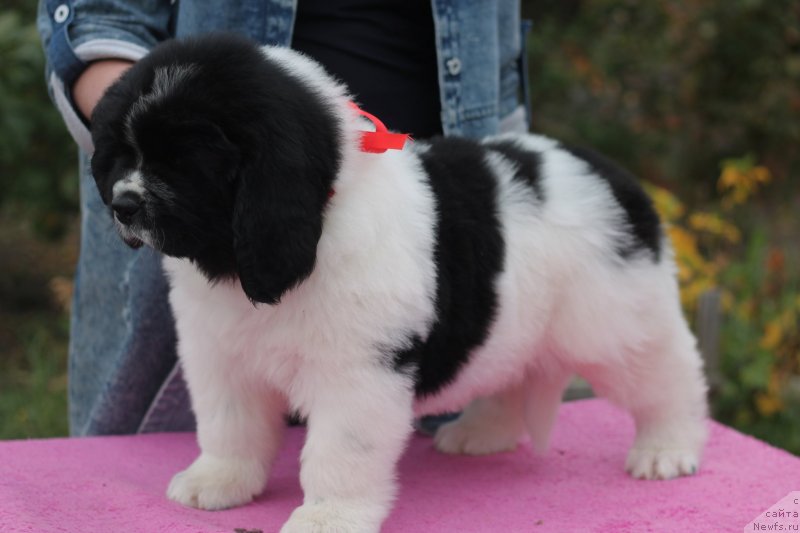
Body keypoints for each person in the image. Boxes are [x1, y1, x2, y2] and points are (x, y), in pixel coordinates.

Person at [37, 0, 532, 436]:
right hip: (215, 239)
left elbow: (501, 66)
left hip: (417, 229)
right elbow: (99, 18)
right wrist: (174, 150)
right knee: (188, 455)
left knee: (380, 393)